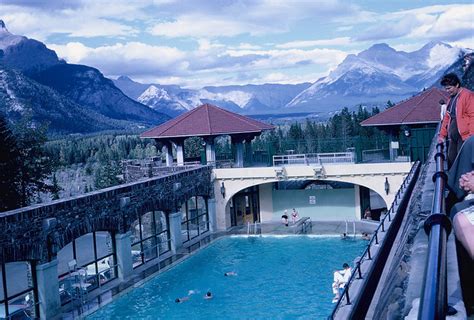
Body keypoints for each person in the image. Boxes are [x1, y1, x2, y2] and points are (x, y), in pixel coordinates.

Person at [437, 73, 474, 167]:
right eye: (446, 88)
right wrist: (442, 135)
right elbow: (447, 117)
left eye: (449, 88)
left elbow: (473, 116)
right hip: (453, 139)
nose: (447, 91)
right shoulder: (451, 98)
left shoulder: (467, 95)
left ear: (457, 85)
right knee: (451, 161)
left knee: (462, 163)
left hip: (464, 138)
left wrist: (470, 137)